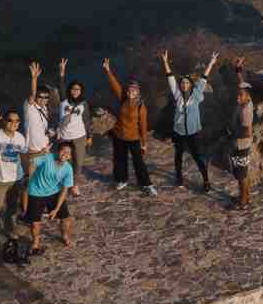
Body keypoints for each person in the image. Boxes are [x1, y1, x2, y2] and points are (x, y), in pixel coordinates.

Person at [162, 49, 218, 191]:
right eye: (182, 83)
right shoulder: (177, 95)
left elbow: (204, 77)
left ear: (191, 84)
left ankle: (206, 181)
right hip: (179, 132)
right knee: (178, 156)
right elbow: (170, 79)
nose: (184, 85)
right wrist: (165, 62)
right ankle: (179, 178)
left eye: (187, 83)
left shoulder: (197, 93)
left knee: (198, 157)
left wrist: (211, 62)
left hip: (193, 132)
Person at [102, 58, 155, 195]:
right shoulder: (123, 99)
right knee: (120, 160)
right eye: (130, 89)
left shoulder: (141, 107)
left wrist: (144, 143)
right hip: (119, 135)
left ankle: (146, 184)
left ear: (138, 92)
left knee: (138, 162)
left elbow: (143, 126)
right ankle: (121, 180)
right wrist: (108, 71)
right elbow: (115, 86)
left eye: (134, 90)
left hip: (133, 138)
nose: (131, 92)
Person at [0, 106, 29, 242]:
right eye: (10, 120)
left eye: (17, 121)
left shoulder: (20, 137)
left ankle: (9, 230)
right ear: (4, 122)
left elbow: (24, 156)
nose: (14, 123)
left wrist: (27, 174)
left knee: (12, 207)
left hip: (16, 178)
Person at [22, 139, 76, 255]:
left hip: (54, 193)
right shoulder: (47, 158)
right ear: (58, 151)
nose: (64, 154)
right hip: (36, 192)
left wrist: (56, 209)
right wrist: (41, 153)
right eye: (63, 151)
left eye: (68, 153)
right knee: (35, 223)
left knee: (66, 219)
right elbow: (31, 162)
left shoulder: (68, 169)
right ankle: (35, 242)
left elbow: (64, 190)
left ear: (70, 156)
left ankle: (65, 236)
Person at [56, 58, 91, 196]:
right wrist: (62, 72)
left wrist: (89, 136)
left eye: (78, 89)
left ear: (81, 91)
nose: (75, 91)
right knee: (64, 162)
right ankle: (63, 184)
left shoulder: (83, 103)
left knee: (78, 162)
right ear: (69, 90)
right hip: (65, 137)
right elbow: (60, 86)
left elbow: (87, 120)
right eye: (73, 89)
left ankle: (75, 185)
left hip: (79, 137)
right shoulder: (64, 101)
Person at [228, 57, 255, 210]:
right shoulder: (246, 99)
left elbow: (247, 130)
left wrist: (231, 133)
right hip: (241, 143)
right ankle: (245, 196)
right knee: (242, 173)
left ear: (248, 96)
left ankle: (243, 202)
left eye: (240, 95)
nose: (238, 97)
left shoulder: (246, 110)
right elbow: (242, 84)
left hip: (241, 144)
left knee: (241, 175)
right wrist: (238, 69)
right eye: (238, 94)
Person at [22, 60, 54, 180]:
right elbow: (32, 94)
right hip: (33, 150)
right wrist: (34, 79)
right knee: (30, 180)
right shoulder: (29, 106)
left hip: (45, 148)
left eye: (46, 97)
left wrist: (50, 133)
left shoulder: (45, 108)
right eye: (40, 97)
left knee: (45, 178)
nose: (43, 99)